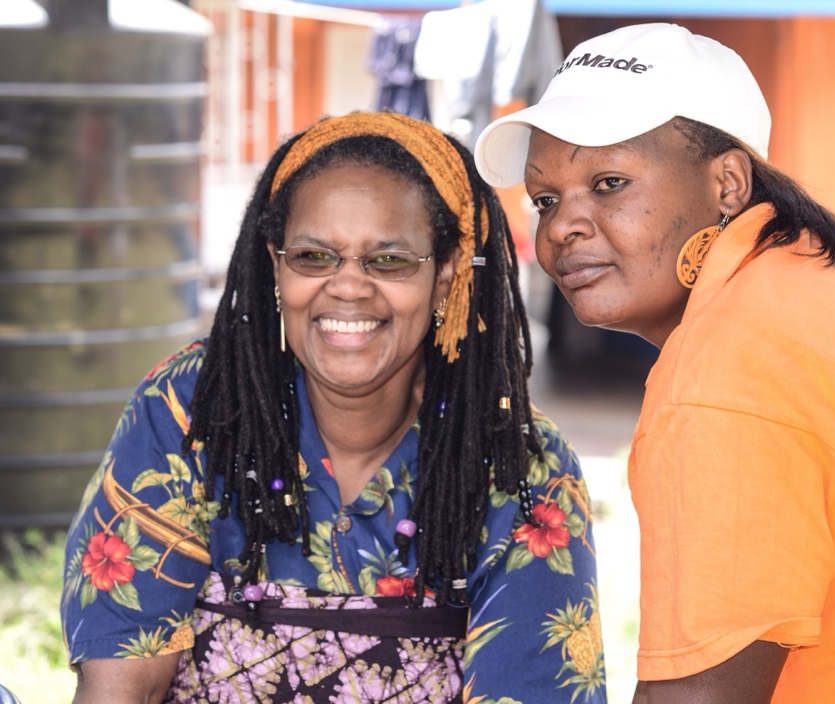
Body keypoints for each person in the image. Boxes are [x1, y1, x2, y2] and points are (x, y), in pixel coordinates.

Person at [474, 22, 835, 704]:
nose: (561, 227)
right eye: (545, 200)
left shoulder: (730, 371)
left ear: (727, 183)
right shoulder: (813, 278)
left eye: (608, 183)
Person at [62, 111, 607, 704]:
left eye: (389, 260)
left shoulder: (521, 468)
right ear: (275, 263)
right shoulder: (190, 411)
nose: (348, 286)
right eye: (314, 257)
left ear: (447, 273)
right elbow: (119, 691)